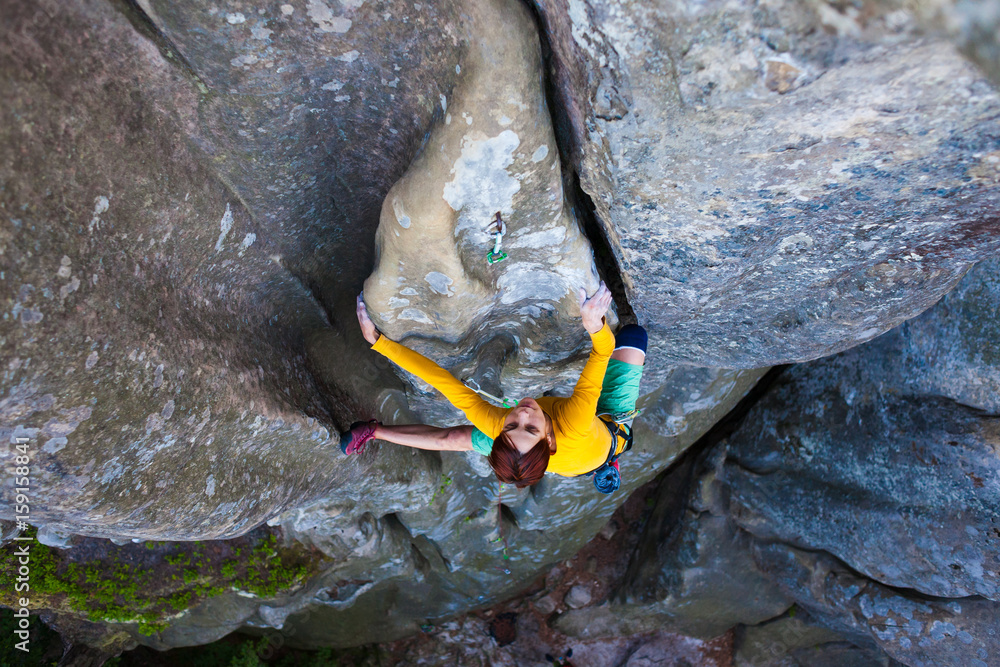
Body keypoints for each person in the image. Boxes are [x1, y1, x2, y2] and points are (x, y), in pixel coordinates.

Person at [343, 282, 648, 491]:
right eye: (530, 427)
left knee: (454, 438)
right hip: (608, 427)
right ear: (547, 440)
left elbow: (443, 382)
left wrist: (379, 342)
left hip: (541, 453)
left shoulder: (499, 427)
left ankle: (374, 432)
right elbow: (602, 351)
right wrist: (594, 324)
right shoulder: (575, 422)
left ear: (502, 433)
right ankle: (609, 464)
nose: (523, 414)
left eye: (512, 425)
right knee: (634, 336)